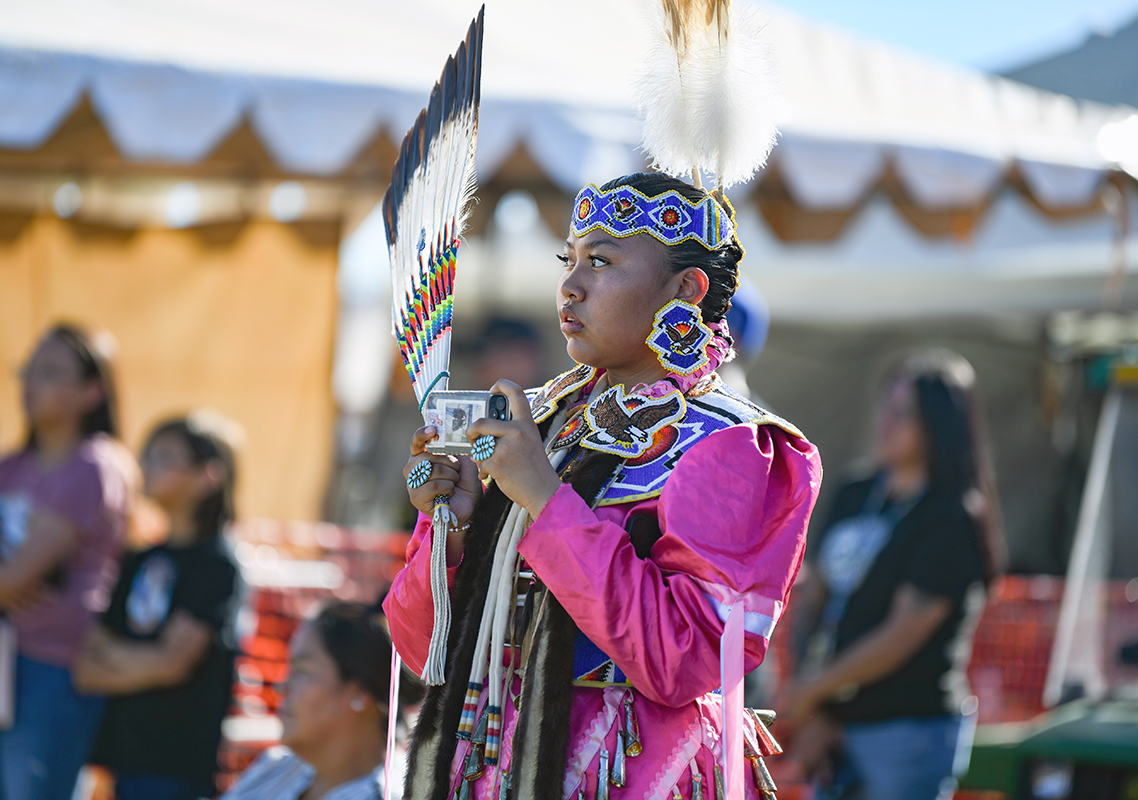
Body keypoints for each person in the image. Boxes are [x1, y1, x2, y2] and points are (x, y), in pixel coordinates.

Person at [384, 171, 823, 800]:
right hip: (489, 764)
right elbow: (425, 648)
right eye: (569, 259)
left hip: (630, 769)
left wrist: (543, 500)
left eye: (602, 261)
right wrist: (455, 534)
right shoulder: (539, 425)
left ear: (686, 289)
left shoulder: (729, 445)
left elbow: (684, 659)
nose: (570, 284)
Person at [780, 349, 1006, 800]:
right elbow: (814, 598)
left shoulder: (952, 517)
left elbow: (902, 634)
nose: (886, 420)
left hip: (906, 731)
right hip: (831, 723)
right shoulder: (855, 491)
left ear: (938, 426)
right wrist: (813, 706)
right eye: (886, 405)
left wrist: (811, 690)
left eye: (904, 412)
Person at [0, 323, 135, 800]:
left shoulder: (96, 465)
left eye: (49, 372)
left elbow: (10, 576)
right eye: (28, 370)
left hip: (53, 668)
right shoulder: (8, 467)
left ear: (93, 390)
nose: (30, 383)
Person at [74, 412, 245, 800]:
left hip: (178, 770)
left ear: (208, 476)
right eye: (147, 455)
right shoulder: (137, 559)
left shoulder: (217, 564)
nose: (147, 466)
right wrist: (150, 661)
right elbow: (86, 667)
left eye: (165, 457)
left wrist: (129, 660)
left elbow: (173, 663)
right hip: (122, 762)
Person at [219, 601, 425, 800]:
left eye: (302, 671)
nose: (281, 687)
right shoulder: (279, 765)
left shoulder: (391, 794)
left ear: (359, 693)